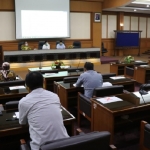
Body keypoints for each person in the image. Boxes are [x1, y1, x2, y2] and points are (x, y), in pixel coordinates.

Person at [19, 72, 69, 150]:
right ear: (43, 81)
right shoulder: (54, 96)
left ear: (27, 85)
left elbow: (22, 123)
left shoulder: (23, 102)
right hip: (65, 144)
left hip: (41, 147)